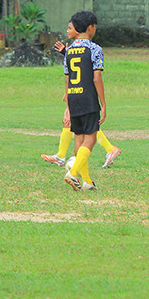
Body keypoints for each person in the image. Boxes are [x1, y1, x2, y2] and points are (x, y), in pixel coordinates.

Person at [43, 36, 122, 170]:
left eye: (70, 27)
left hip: (81, 93)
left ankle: (65, 158)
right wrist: (65, 52)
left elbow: (84, 67)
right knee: (76, 123)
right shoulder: (76, 48)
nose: (68, 31)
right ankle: (62, 156)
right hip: (76, 91)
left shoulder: (91, 47)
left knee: (82, 125)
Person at [62, 11, 107, 191]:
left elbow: (67, 79)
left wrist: (67, 106)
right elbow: (97, 78)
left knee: (79, 139)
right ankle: (72, 172)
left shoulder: (69, 50)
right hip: (88, 97)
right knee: (91, 138)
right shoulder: (95, 49)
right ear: (91, 27)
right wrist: (103, 103)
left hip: (73, 96)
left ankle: (87, 182)